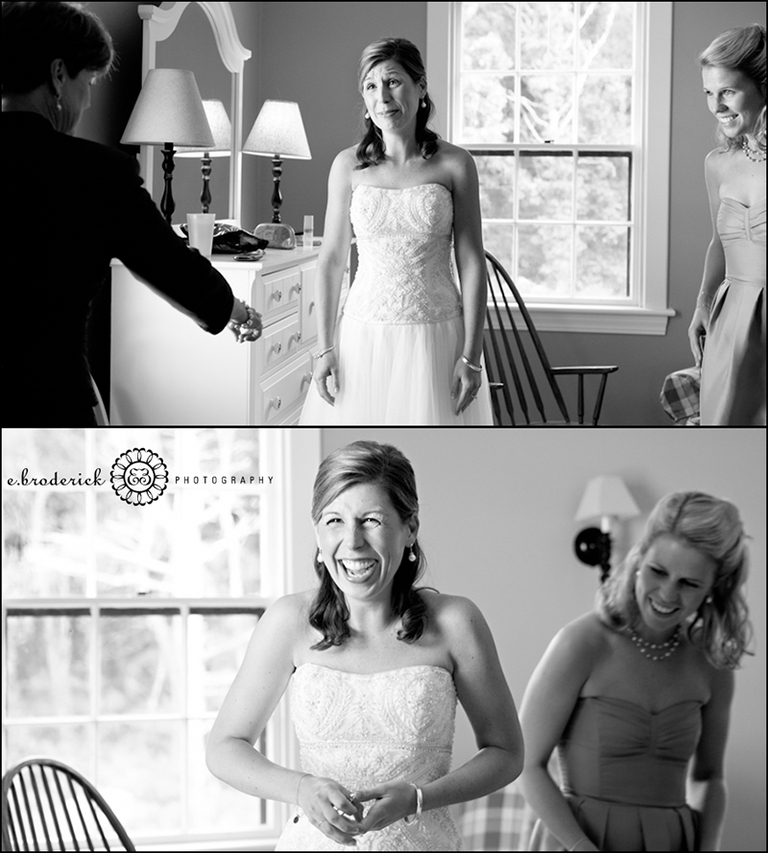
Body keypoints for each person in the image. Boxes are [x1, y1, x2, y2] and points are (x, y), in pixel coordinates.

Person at [207, 440, 523, 851]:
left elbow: (506, 753)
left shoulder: (456, 622)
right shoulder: (288, 622)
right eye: (334, 520)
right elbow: (223, 747)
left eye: (371, 520)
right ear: (317, 533)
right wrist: (301, 789)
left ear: (410, 528)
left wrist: (420, 798)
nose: (352, 542)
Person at [1, 1, 262, 426]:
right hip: (47, 398)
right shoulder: (94, 173)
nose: (86, 102)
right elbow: (166, 261)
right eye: (88, 81)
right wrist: (236, 310)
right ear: (58, 74)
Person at [519, 491, 752, 852]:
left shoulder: (711, 663)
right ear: (639, 559)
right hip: (577, 842)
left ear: (712, 589)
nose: (667, 594)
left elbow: (709, 777)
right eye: (658, 572)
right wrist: (581, 848)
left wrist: (708, 847)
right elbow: (527, 764)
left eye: (689, 583)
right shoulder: (581, 643)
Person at [299, 38, 493, 425]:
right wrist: (324, 349)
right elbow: (333, 259)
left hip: (436, 338)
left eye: (393, 82)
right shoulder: (346, 166)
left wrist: (471, 354)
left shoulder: (456, 164)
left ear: (421, 88)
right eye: (371, 86)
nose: (382, 96)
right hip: (363, 338)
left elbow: (471, 261)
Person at [688, 24, 766, 425]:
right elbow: (718, 242)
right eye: (708, 93)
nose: (716, 106)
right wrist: (703, 303)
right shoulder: (716, 164)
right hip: (730, 319)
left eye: (728, 91)